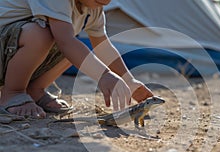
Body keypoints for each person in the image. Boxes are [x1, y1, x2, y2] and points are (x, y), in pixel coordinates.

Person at [0, 0, 153, 118]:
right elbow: (65, 41)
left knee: (77, 50)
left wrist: (129, 81)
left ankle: (35, 90)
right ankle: (13, 92)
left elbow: (103, 47)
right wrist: (104, 75)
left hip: (9, 56)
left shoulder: (93, 9)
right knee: (42, 35)